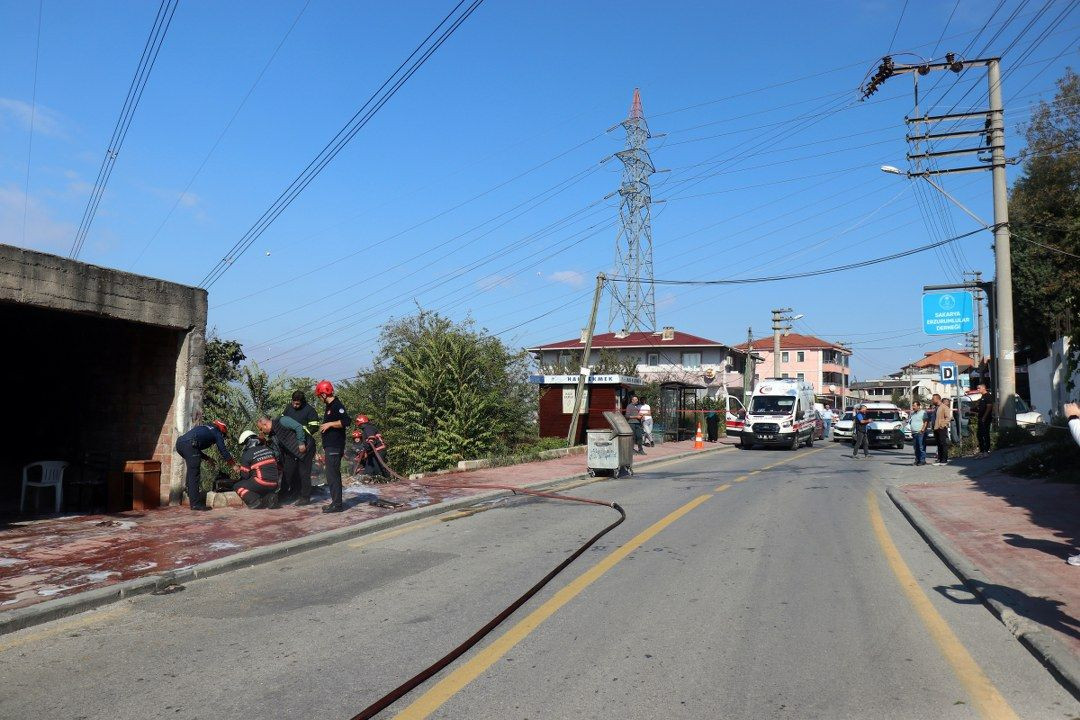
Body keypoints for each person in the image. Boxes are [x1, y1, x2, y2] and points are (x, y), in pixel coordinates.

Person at [175, 420, 235, 511]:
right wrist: (233, 464)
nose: (223, 437)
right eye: (224, 435)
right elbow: (223, 450)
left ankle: (189, 490)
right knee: (194, 474)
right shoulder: (216, 432)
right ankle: (195, 504)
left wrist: (207, 458)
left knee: (192, 469)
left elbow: (194, 447)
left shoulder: (206, 428)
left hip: (180, 443)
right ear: (222, 430)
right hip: (190, 445)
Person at [255, 415, 306, 502]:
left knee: (292, 474)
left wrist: (301, 442)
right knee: (289, 474)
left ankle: (298, 495)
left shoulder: (281, 423)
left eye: (261, 428)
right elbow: (276, 450)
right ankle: (292, 493)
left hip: (295, 453)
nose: (261, 431)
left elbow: (298, 427)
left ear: (265, 425)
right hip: (287, 457)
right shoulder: (272, 435)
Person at [316, 380, 349, 513]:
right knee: (331, 475)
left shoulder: (336, 405)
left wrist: (329, 424)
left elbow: (346, 421)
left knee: (333, 475)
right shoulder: (329, 406)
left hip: (335, 446)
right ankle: (335, 502)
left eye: (319, 396)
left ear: (324, 394)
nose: (319, 399)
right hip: (330, 446)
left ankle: (337, 505)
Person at [283, 390, 320, 506]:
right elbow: (283, 421)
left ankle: (305, 497)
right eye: (293, 403)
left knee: (304, 472)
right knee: (290, 470)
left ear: (302, 402)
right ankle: (291, 492)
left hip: (306, 444)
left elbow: (314, 427)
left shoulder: (310, 410)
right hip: (290, 445)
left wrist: (301, 432)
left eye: (297, 404)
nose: (295, 405)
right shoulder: (288, 408)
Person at [234, 431, 281, 509]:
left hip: (261, 482)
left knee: (237, 486)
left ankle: (254, 501)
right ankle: (269, 499)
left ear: (248, 442)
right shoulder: (268, 449)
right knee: (259, 484)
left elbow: (244, 476)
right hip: (275, 483)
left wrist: (241, 471)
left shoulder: (247, 454)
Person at [352, 414, 389, 481]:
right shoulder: (368, 428)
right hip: (374, 452)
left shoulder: (368, 428)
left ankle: (386, 480)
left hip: (378, 451)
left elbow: (371, 441)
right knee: (369, 469)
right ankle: (371, 481)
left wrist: (366, 449)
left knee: (378, 468)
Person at [974, 384, 995, 456]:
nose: (978, 390)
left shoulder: (988, 396)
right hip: (980, 418)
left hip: (985, 419)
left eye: (979, 388)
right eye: (977, 388)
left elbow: (989, 407)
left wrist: (984, 417)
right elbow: (980, 408)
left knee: (985, 434)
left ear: (983, 388)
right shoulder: (982, 397)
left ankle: (986, 450)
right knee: (979, 434)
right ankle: (982, 450)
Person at [931, 394, 952, 465]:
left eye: (933, 399)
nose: (932, 400)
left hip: (941, 428)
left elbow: (948, 417)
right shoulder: (935, 407)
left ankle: (944, 460)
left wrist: (942, 425)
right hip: (935, 428)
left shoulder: (944, 407)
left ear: (938, 399)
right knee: (939, 444)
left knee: (943, 443)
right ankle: (939, 459)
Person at [908, 400, 928, 466]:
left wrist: (922, 430)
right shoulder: (912, 414)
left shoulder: (923, 412)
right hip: (914, 433)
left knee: (921, 447)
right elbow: (911, 422)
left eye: (914, 406)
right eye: (913, 406)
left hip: (920, 433)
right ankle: (917, 460)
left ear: (918, 406)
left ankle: (922, 460)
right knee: (916, 448)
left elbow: (926, 422)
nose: (913, 407)